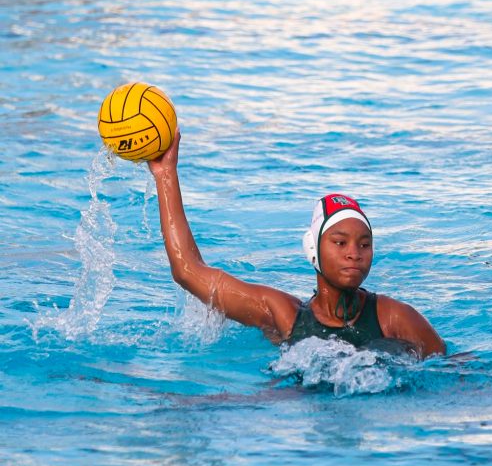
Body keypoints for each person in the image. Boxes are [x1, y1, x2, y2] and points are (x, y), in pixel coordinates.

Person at [148, 130, 446, 359]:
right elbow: (188, 271)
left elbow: (453, 368)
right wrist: (166, 175)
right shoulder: (284, 315)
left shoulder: (394, 317)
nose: (354, 253)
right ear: (314, 251)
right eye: (340, 242)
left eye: (364, 244)